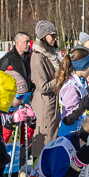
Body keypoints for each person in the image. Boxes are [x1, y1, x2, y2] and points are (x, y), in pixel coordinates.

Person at [30, 20, 62, 159]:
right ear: (43, 37)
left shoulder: (52, 55)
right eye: (52, 35)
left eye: (56, 35)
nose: (55, 39)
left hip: (53, 103)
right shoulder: (38, 57)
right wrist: (60, 79)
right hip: (44, 105)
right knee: (45, 143)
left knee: (52, 141)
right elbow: (42, 86)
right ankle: (39, 173)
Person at [56, 46, 89, 138]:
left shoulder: (82, 81)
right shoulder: (71, 86)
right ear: (83, 66)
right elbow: (67, 119)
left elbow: (84, 104)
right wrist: (81, 108)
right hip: (68, 136)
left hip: (80, 133)